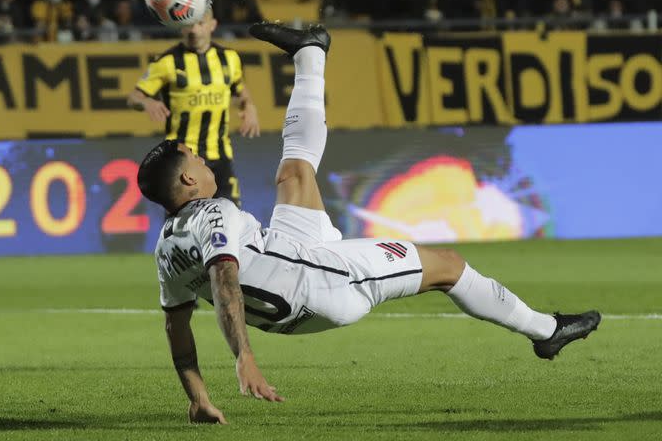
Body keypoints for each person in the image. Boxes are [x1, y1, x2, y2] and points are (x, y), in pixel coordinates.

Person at [136, 23, 602, 424]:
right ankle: (546, 331)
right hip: (318, 284)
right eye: (194, 157)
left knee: (295, 173)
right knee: (447, 265)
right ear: (187, 179)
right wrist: (245, 362)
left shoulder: (165, 247)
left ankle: (310, 53)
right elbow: (224, 280)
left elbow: (177, 328)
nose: (201, 157)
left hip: (286, 258)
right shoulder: (215, 213)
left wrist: (198, 399)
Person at [128, 9, 260, 207]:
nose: (194, 30)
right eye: (188, 24)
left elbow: (240, 91)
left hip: (221, 156)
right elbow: (133, 98)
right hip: (184, 161)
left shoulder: (230, 59)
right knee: (186, 225)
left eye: (200, 23)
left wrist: (249, 106)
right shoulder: (166, 62)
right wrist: (147, 102)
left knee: (232, 218)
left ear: (212, 25)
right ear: (181, 27)